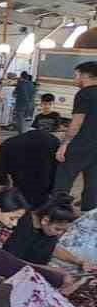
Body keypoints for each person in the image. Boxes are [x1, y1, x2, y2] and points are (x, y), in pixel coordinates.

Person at [4, 193, 89, 273]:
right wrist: (46, 270)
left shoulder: (47, 229)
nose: (60, 234)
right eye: (58, 229)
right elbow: (11, 259)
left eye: (64, 230)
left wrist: (79, 261)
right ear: (45, 220)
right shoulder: (22, 226)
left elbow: (52, 247)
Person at [0, 112, 61, 208]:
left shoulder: (9, 143)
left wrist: (0, 186)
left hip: (20, 193)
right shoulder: (54, 141)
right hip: (43, 194)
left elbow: (0, 171)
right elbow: (58, 169)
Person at [54, 61, 97, 210]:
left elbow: (77, 122)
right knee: (93, 187)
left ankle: (57, 215)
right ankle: (88, 220)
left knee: (62, 182)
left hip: (80, 145)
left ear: (85, 75)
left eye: (76, 75)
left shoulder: (84, 93)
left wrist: (64, 144)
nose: (74, 79)